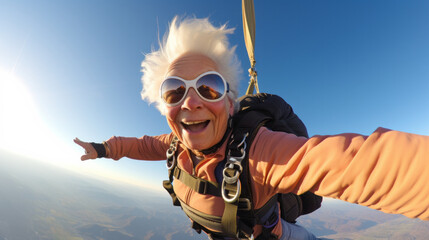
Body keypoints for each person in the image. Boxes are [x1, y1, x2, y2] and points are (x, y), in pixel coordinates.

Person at [74, 16, 429, 240]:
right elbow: (140, 144)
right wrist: (103, 148)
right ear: (165, 107)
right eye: (174, 90)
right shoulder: (174, 145)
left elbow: (358, 164)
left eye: (208, 86)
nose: (190, 102)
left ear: (229, 102)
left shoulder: (259, 151)